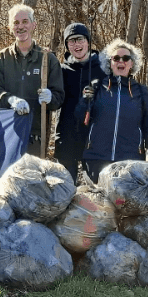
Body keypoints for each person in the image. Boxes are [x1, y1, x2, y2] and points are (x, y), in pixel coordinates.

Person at [74, 38, 148, 180]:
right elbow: (80, 118)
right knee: (97, 201)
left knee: (123, 201)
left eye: (126, 58)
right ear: (110, 63)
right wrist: (85, 100)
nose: (121, 61)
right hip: (96, 158)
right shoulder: (97, 87)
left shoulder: (141, 91)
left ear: (131, 63)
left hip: (130, 162)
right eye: (116, 58)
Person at [0, 4, 64, 154]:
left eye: (25, 21)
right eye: (16, 23)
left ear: (33, 25)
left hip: (35, 135)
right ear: (10, 27)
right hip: (7, 134)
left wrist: (50, 98)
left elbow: (59, 97)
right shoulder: (1, 59)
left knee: (32, 176)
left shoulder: (47, 59)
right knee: (7, 177)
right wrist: (10, 100)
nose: (20, 26)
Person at [55, 22, 107, 182]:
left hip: (93, 140)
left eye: (80, 39)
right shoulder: (61, 70)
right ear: (67, 45)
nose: (76, 44)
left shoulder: (103, 68)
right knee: (65, 189)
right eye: (71, 41)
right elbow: (55, 100)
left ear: (88, 42)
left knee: (95, 190)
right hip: (67, 137)